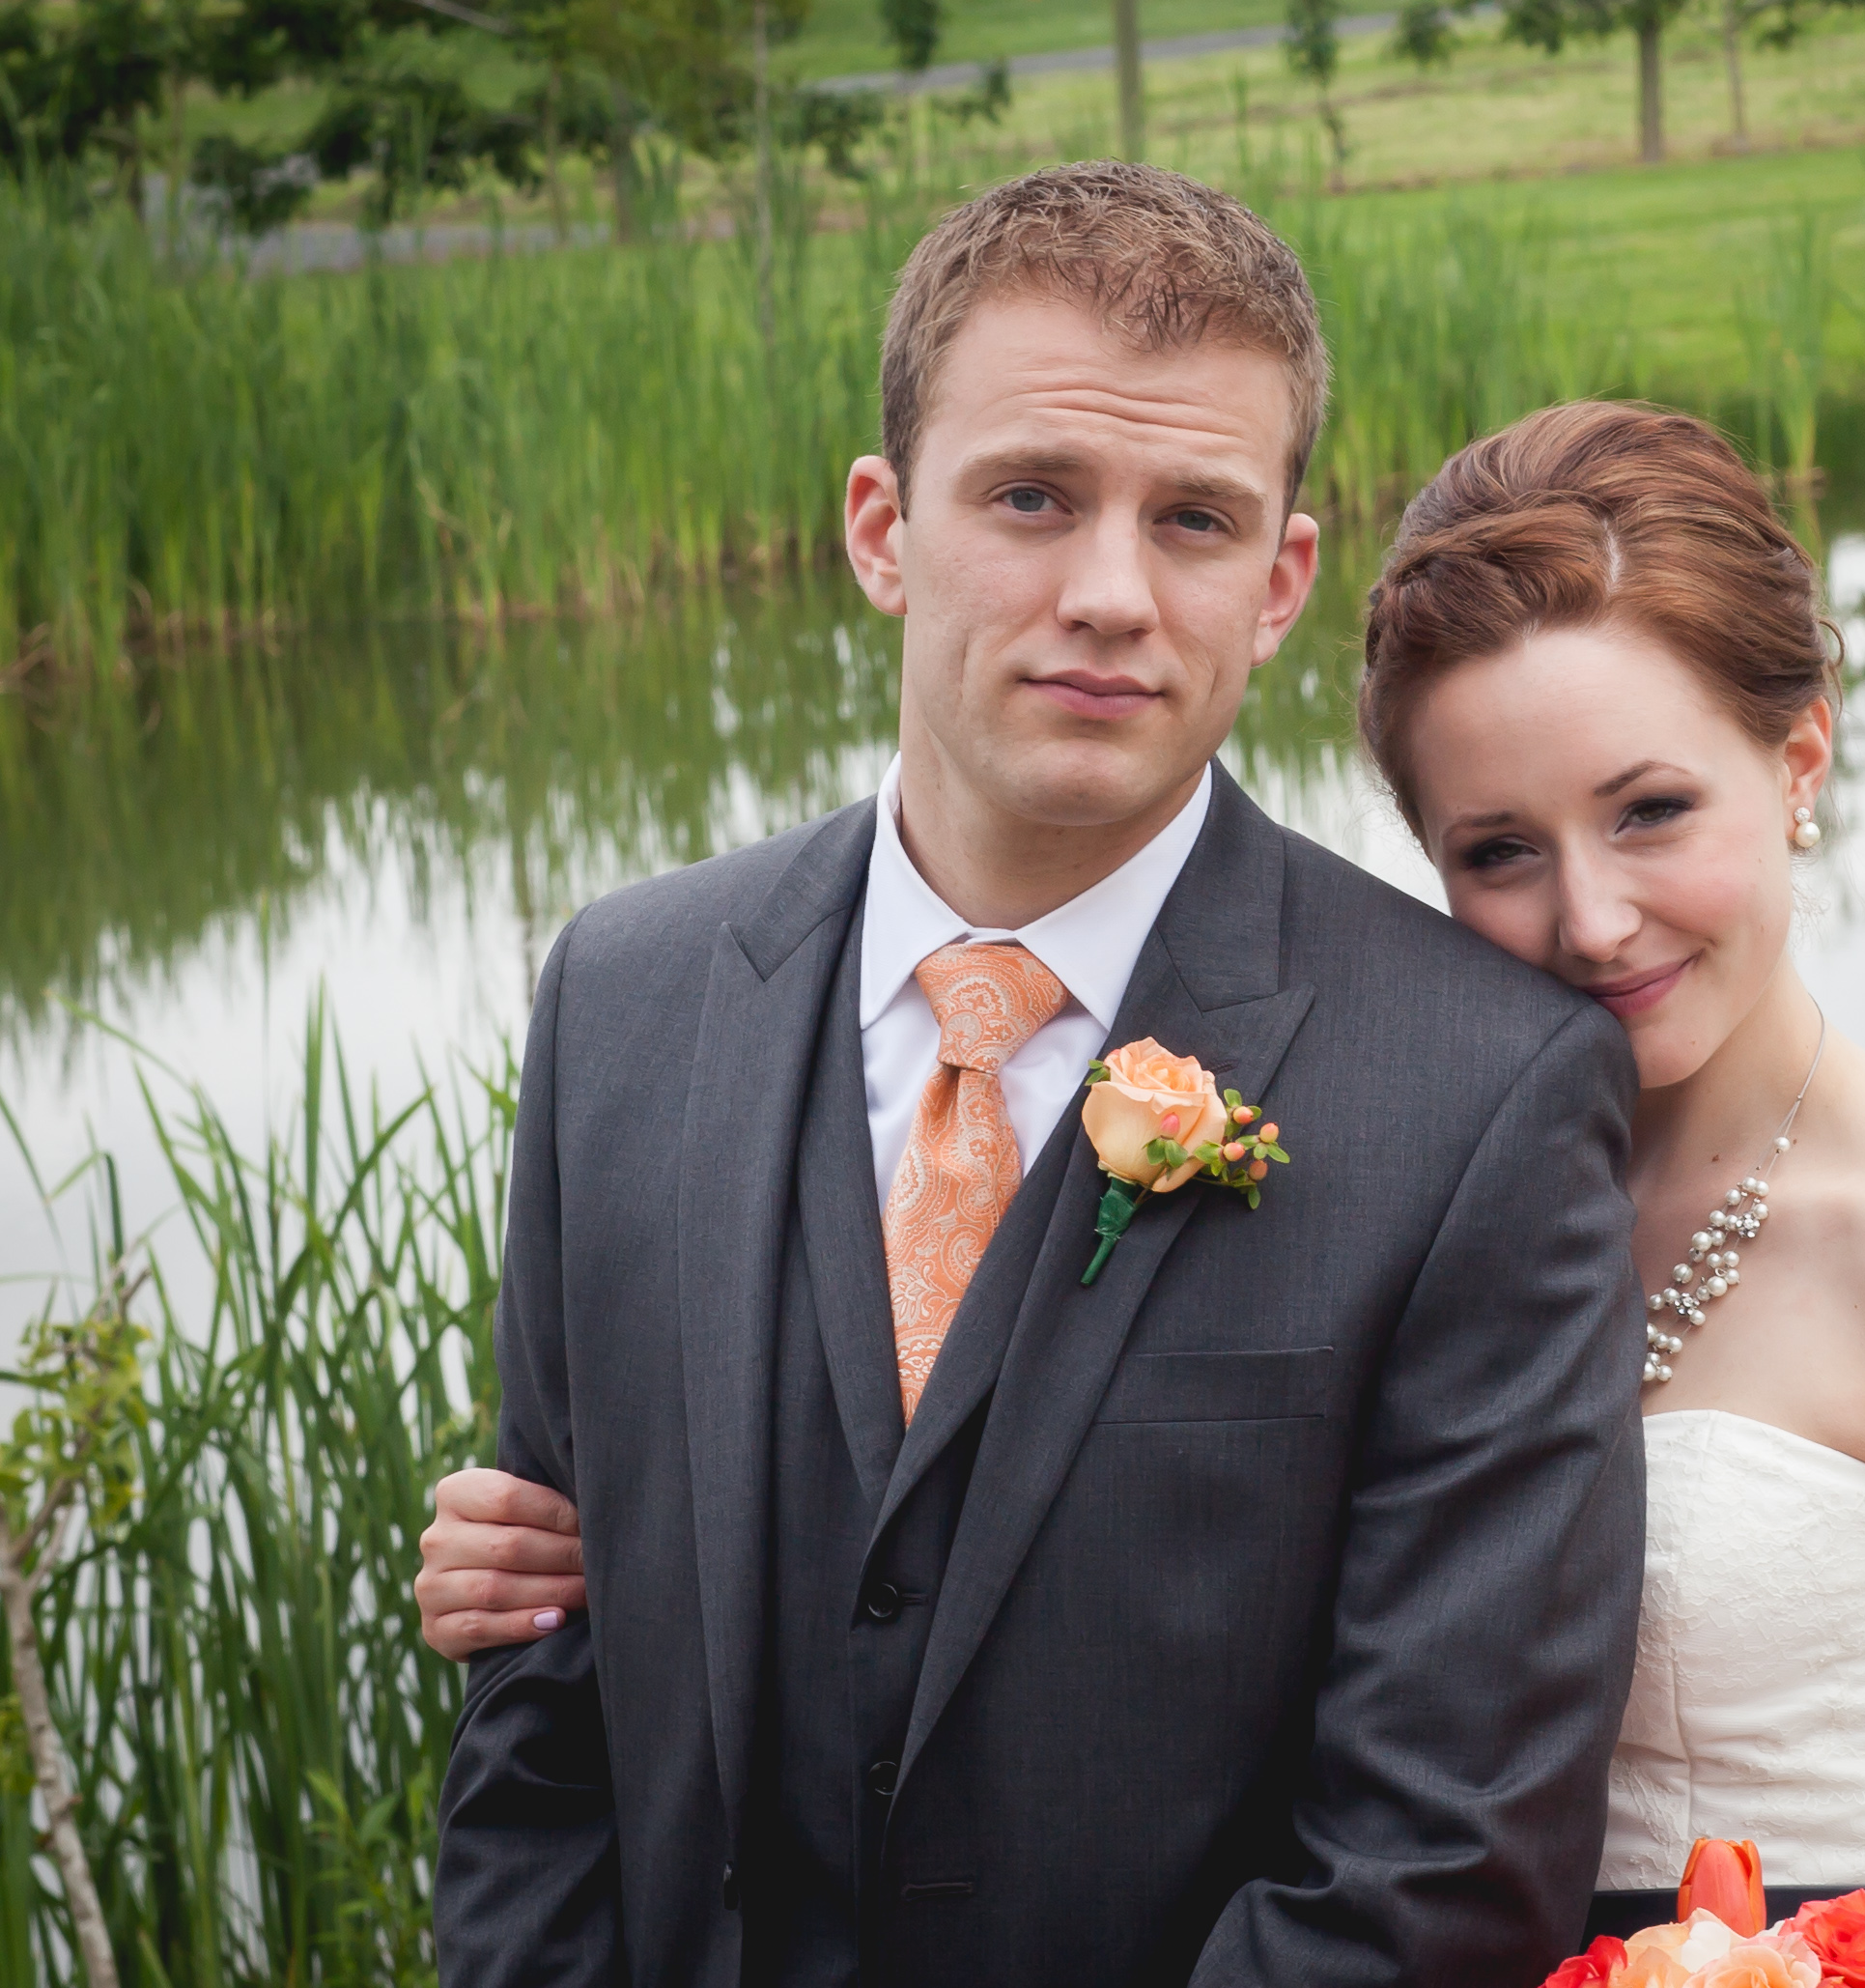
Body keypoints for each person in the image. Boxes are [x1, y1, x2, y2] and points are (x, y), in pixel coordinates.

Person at [428, 398, 1865, 1983]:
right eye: (1496, 851)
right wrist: (606, 1538)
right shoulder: (1355, 1162)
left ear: (1796, 762)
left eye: (1651, 810)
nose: (1587, 918)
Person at [424, 164, 1649, 1988]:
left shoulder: (1483, 1091)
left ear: (1283, 579)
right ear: (880, 527)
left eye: (1196, 521)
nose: (1109, 594)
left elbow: (1437, 1861)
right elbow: (542, 1716)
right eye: (1030, 496)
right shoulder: (625, 998)